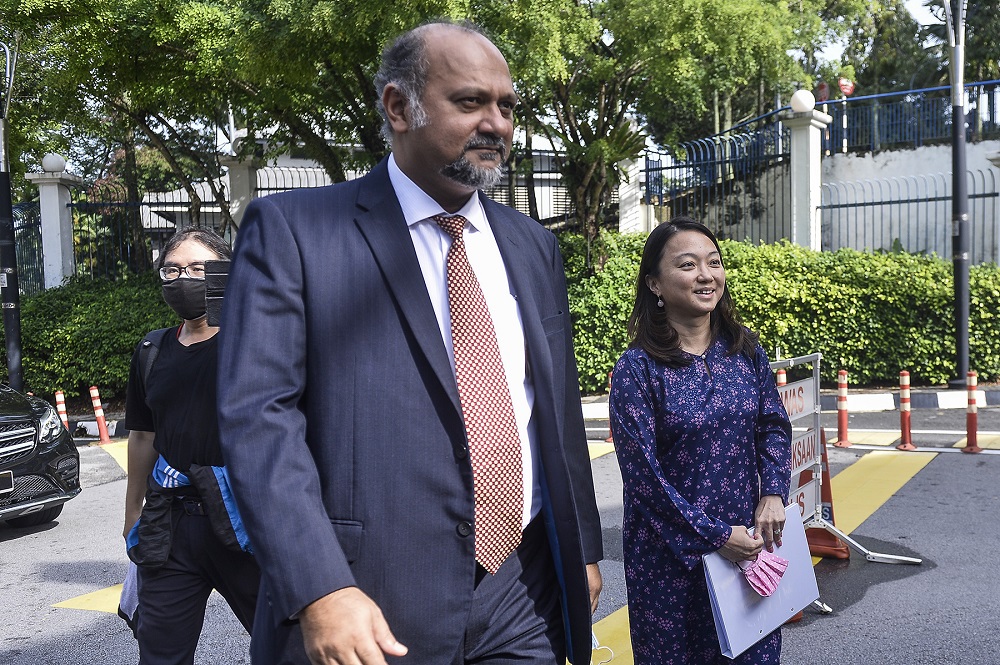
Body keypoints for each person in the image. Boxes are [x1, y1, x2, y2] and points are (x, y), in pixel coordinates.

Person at [216, 20, 604, 665]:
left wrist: (582, 548)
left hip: (525, 590)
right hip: (370, 599)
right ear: (399, 106)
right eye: (470, 101)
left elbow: (555, 412)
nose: (497, 124)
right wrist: (320, 587)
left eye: (507, 106)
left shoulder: (532, 245)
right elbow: (258, 418)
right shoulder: (295, 231)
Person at [609, 217, 792, 664]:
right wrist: (714, 536)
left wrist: (773, 493)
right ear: (655, 283)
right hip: (669, 562)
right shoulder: (638, 370)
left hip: (747, 545)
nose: (706, 275)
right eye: (688, 265)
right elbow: (644, 481)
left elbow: (773, 425)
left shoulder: (744, 349)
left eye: (714, 262)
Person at [123, 227, 260, 664]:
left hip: (248, 521)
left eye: (199, 268)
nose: (184, 278)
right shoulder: (152, 349)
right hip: (171, 523)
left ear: (226, 272)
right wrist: (132, 514)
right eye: (173, 269)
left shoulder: (255, 341)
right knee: (160, 652)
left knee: (290, 644)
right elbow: (143, 435)